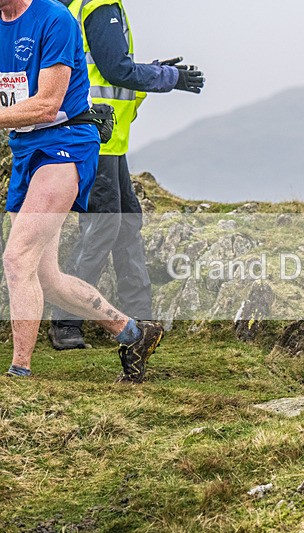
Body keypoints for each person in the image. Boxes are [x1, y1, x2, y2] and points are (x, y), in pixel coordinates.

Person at [1, 0, 163, 382]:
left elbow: (46, 105)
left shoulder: (54, 18)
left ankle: (19, 370)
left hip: (66, 140)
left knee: (16, 257)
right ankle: (134, 333)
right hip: (25, 147)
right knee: (45, 276)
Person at [48, 0, 204, 350]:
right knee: (101, 228)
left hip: (106, 140)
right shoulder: (99, 7)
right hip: (95, 138)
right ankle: (65, 321)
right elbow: (116, 69)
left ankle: (140, 317)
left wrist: (153, 70)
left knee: (127, 222)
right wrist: (170, 77)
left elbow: (107, 69)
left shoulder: (81, 5)